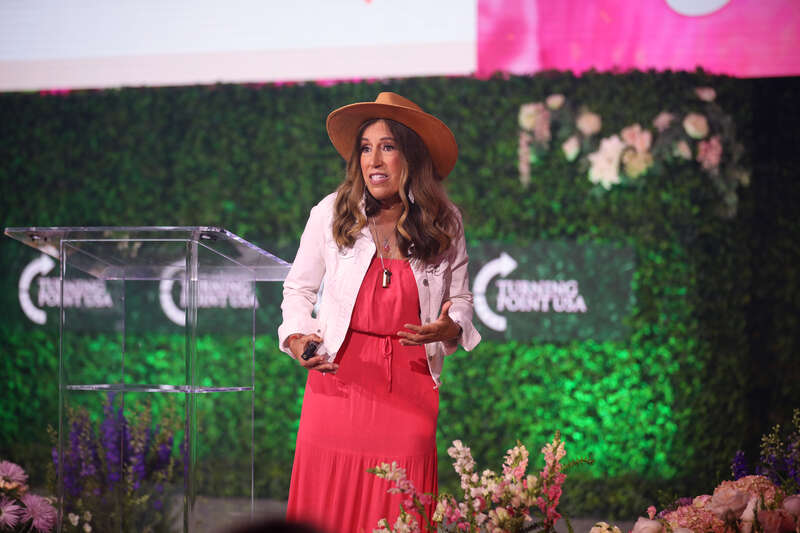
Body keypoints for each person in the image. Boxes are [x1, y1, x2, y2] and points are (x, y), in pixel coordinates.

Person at [278, 92, 481, 533]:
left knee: (399, 507)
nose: (374, 160)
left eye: (387, 147)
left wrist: (449, 326)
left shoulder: (445, 220)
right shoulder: (331, 212)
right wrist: (297, 338)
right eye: (366, 148)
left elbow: (462, 300)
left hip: (410, 385)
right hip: (337, 383)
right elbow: (298, 288)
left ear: (411, 155)